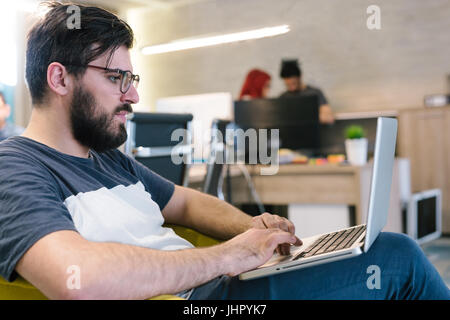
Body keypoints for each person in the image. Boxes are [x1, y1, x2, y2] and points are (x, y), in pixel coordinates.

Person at [0, 2, 448, 300]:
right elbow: (72, 276)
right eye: (117, 78)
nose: (132, 97)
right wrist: (228, 255)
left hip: (224, 282)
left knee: (381, 251)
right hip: (206, 300)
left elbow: (188, 202)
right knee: (398, 260)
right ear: (59, 79)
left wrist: (257, 231)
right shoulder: (16, 166)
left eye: (132, 80)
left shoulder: (107, 158)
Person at [280, 59, 334, 124]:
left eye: (294, 83)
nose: (292, 88)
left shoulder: (315, 93)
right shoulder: (283, 97)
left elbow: (328, 117)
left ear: (300, 77)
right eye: (288, 85)